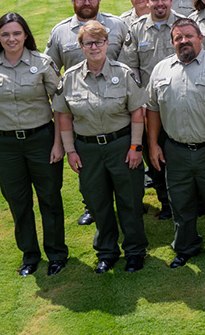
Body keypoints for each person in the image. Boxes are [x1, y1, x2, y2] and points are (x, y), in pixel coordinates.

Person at [0, 13, 67, 277]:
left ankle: (57, 254)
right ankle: (30, 255)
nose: (11, 39)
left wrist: (58, 144)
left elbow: (58, 106)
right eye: (5, 34)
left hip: (41, 140)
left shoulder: (42, 63)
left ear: (26, 34)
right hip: (6, 145)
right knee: (18, 201)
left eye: (16, 33)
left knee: (49, 198)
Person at [52, 21, 148, 274]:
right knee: (98, 203)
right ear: (81, 46)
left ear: (107, 43)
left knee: (130, 201)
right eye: (88, 43)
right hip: (88, 151)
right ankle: (107, 252)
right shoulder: (70, 78)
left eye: (99, 42)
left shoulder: (124, 73)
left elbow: (138, 112)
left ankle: (135, 252)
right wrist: (70, 150)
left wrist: (136, 147)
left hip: (122, 146)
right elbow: (63, 117)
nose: (94, 47)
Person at [145, 17, 205, 268]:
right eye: (178, 37)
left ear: (201, 38)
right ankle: (185, 247)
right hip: (175, 150)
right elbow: (152, 109)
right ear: (172, 42)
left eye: (189, 36)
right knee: (180, 202)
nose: (184, 41)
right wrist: (153, 144)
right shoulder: (161, 70)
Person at [120, 0, 184, 219]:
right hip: (150, 109)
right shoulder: (136, 29)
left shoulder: (183, 25)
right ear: (147, 2)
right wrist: (140, 103)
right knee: (155, 156)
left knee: (184, 156)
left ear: (171, 0)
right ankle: (166, 203)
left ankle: (193, 202)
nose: (159, 4)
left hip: (181, 103)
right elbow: (131, 70)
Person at [46, 0, 128, 73]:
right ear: (73, 0)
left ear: (99, 0)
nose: (87, 3)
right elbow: (49, 69)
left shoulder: (117, 25)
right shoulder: (60, 32)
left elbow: (132, 61)